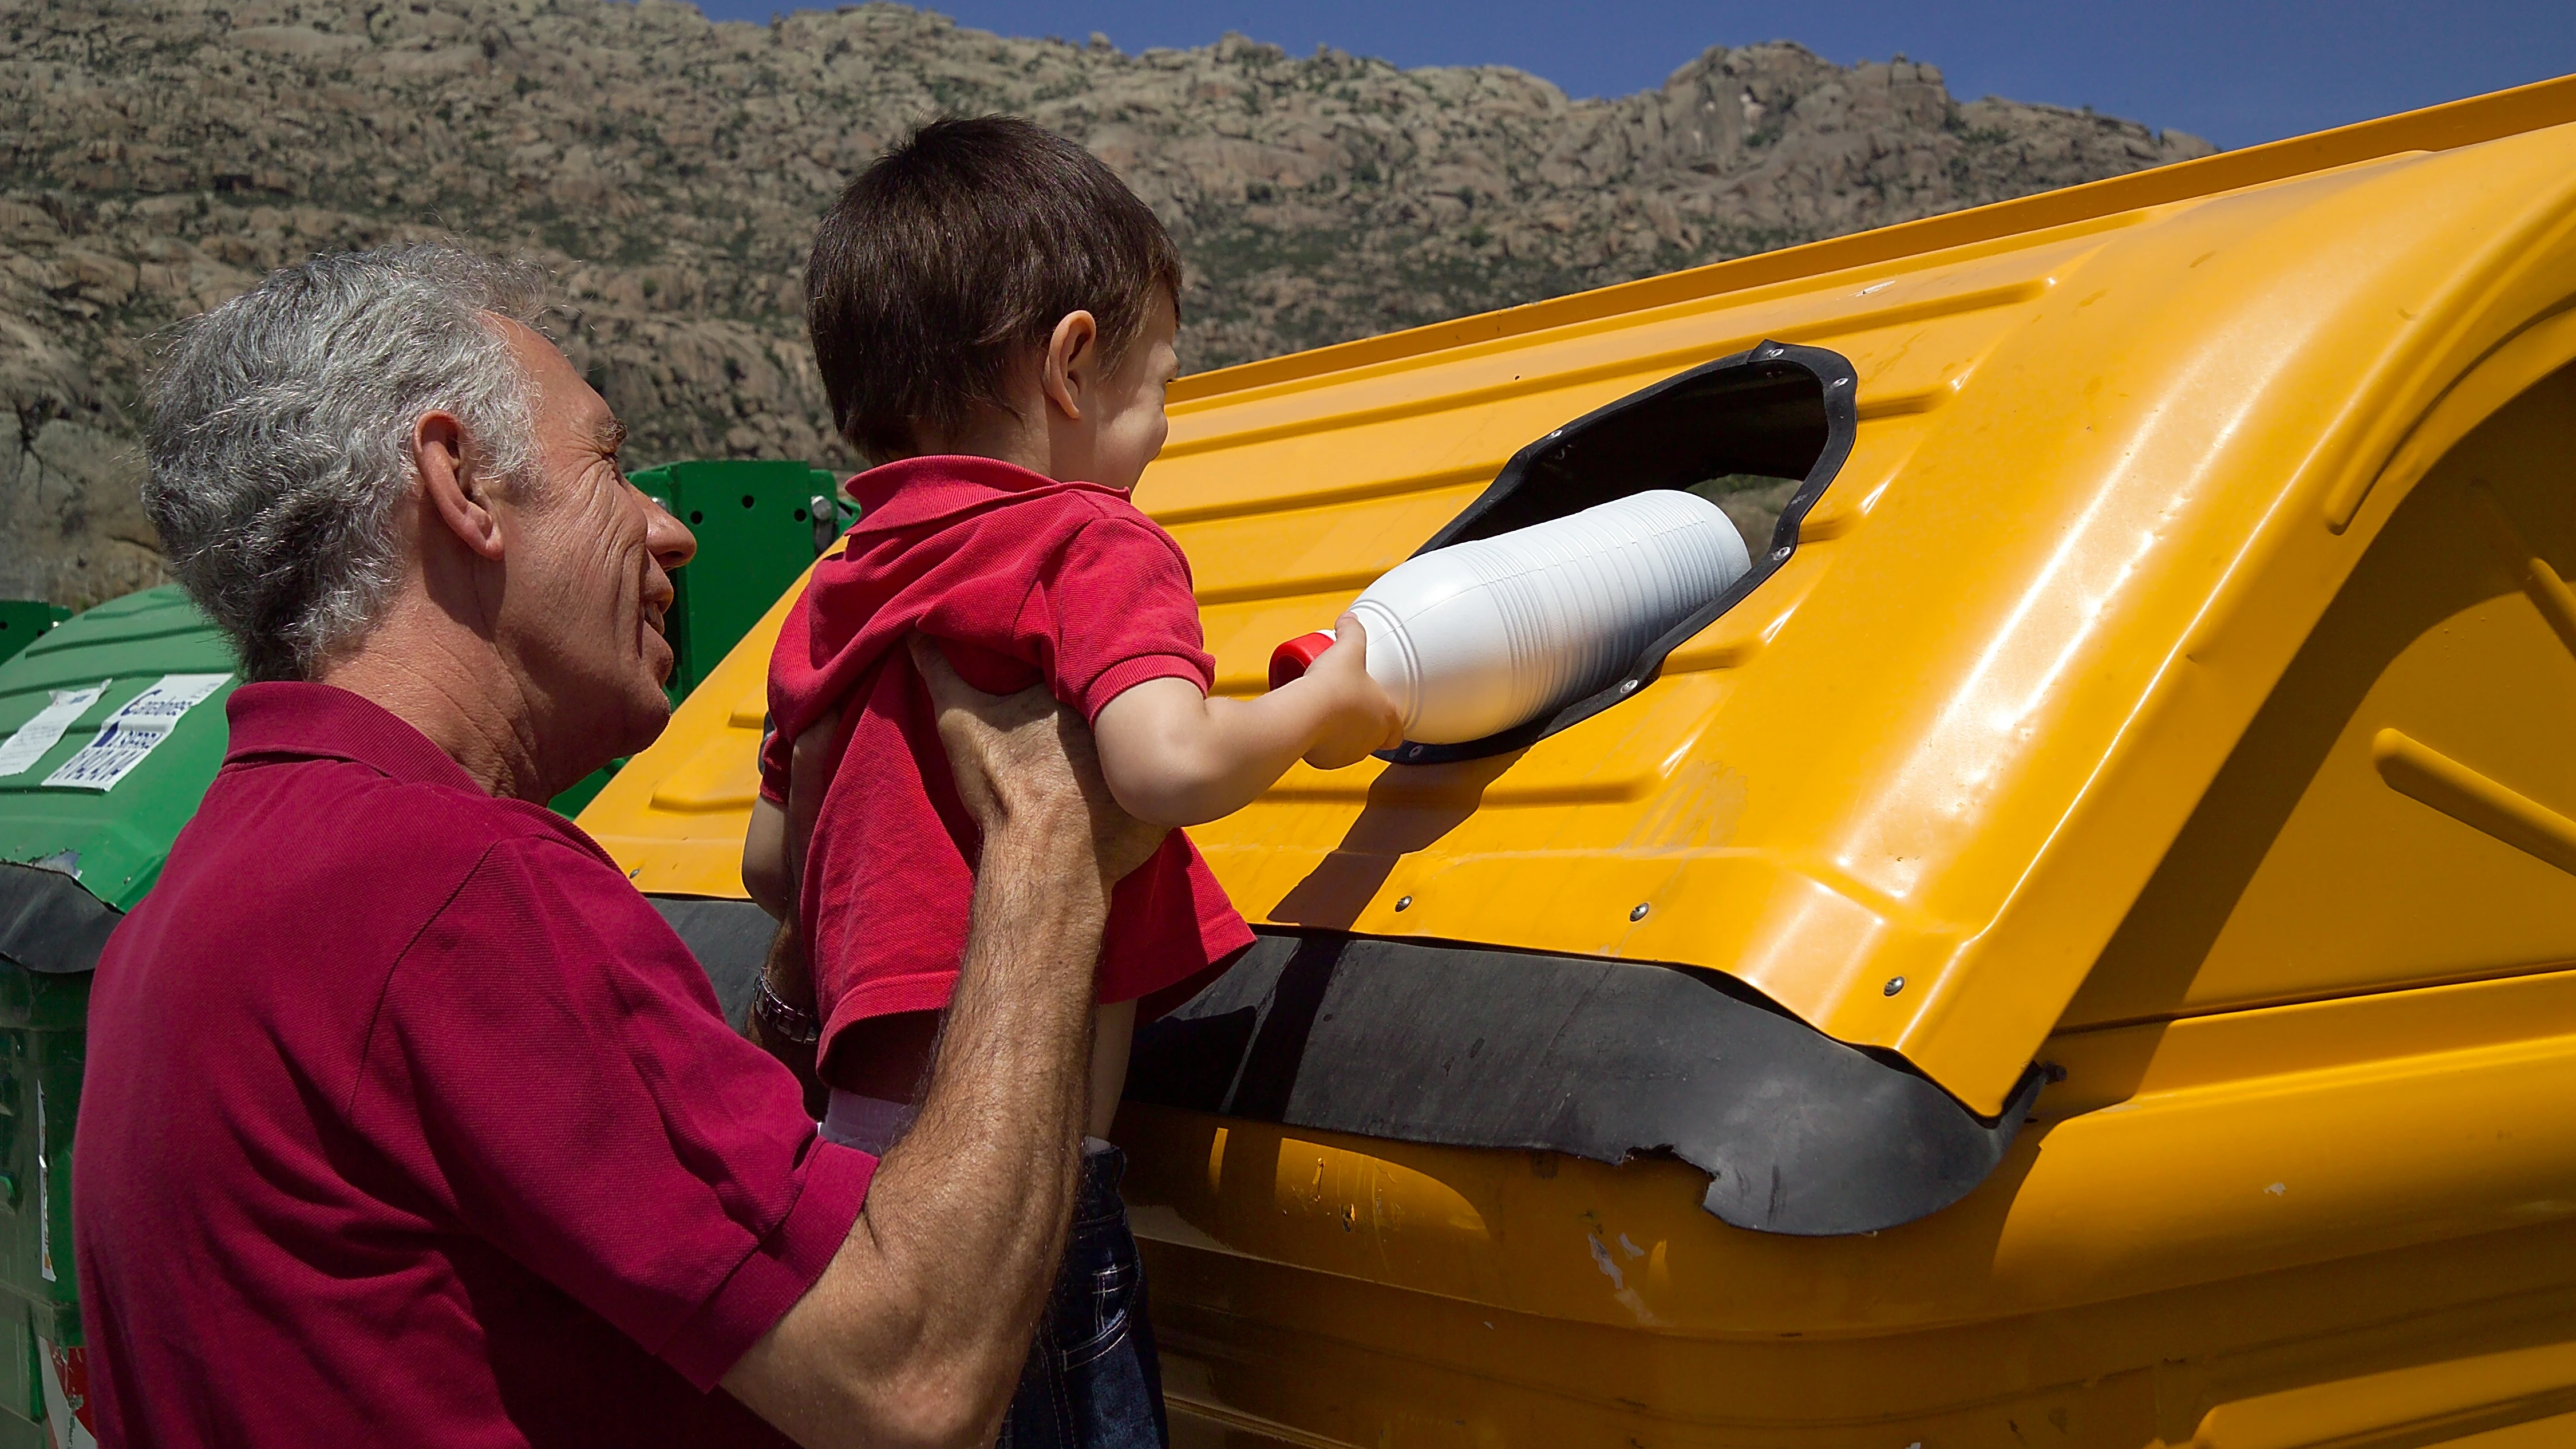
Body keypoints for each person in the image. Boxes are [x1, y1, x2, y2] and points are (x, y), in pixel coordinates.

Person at [72, 244, 1164, 1448]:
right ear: (460, 483)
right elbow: (909, 1378)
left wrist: (802, 985)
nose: (670, 530)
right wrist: (1045, 843)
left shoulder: (199, 897)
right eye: (609, 462)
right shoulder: (455, 890)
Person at [738, 117, 1401, 1447]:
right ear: (1073, 363)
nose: (1159, 433)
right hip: (1021, 1207)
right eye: (1161, 387)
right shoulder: (1088, 540)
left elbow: (772, 862)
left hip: (859, 1181)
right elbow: (1164, 764)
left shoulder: (840, 581)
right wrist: (1324, 702)